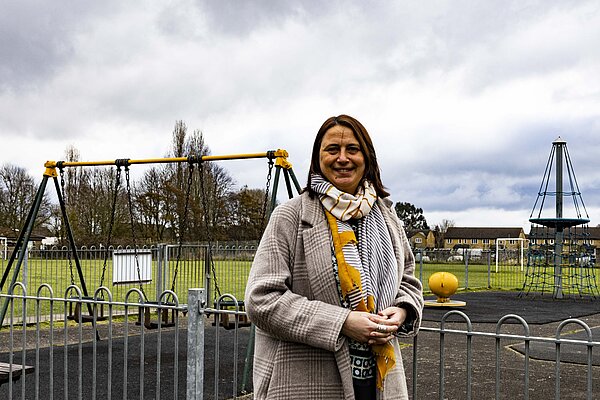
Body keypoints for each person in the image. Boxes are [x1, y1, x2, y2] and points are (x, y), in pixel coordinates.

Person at [245, 114, 424, 400]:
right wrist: (343, 322)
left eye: (352, 149)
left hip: (378, 381)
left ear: (367, 158)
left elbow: (409, 280)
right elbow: (261, 299)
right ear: (318, 159)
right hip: (304, 381)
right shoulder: (290, 217)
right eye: (332, 150)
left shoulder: (387, 217)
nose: (343, 158)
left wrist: (401, 310)